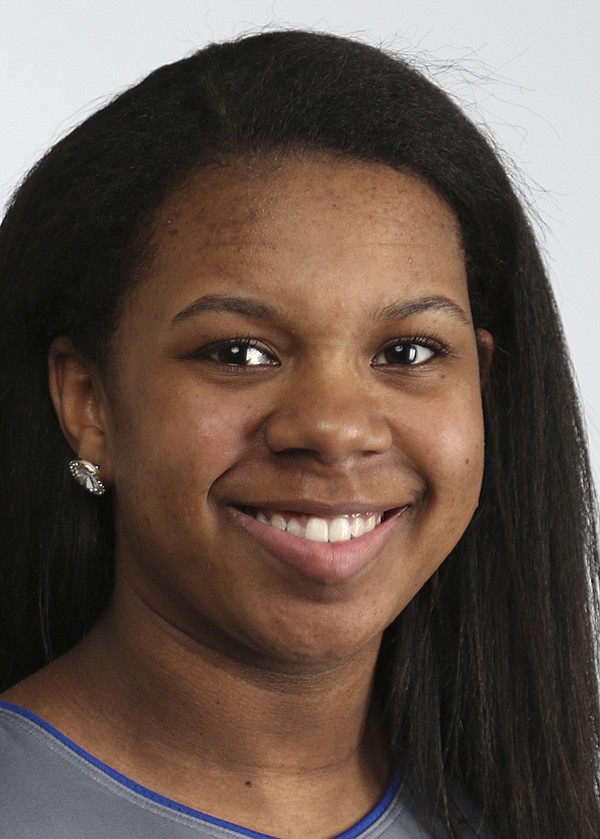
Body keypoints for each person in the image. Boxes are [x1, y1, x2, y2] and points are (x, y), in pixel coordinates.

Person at [0, 29, 597, 839]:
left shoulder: (526, 810)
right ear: (89, 403)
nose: (335, 429)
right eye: (240, 352)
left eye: (409, 351)